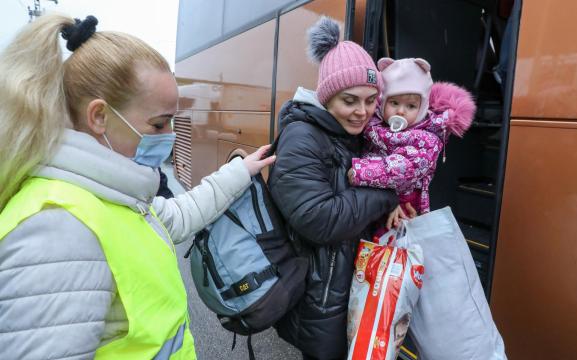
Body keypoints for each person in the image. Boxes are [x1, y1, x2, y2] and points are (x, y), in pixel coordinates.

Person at [0, 14, 274, 359]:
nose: (170, 137)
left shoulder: (110, 195)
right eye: (159, 124)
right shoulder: (56, 227)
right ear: (99, 116)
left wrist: (241, 170)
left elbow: (180, 214)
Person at [267, 17, 400, 360]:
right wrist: (387, 194)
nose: (363, 112)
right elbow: (319, 218)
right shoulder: (302, 137)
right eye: (350, 100)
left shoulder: (349, 135)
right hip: (320, 299)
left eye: (371, 101)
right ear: (327, 96)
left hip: (348, 289)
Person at [348, 57, 477, 218]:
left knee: (388, 239)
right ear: (382, 102)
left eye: (411, 106)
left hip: (405, 202)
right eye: (394, 103)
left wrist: (362, 171)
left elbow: (405, 167)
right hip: (372, 195)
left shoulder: (426, 139)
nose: (401, 111)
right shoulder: (373, 125)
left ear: (422, 108)